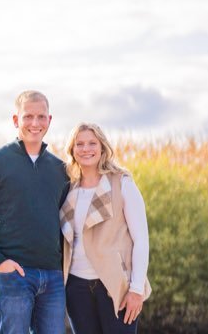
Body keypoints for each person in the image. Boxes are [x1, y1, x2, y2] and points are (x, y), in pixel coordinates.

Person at [0, 90, 69, 334]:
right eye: (28, 116)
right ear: (16, 120)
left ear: (49, 120)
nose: (35, 123)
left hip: (53, 278)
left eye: (41, 117)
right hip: (13, 276)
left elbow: (68, 223)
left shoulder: (60, 169)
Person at [60, 123, 152, 334]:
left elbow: (141, 239)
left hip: (116, 287)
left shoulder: (122, 184)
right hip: (76, 288)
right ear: (72, 150)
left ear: (102, 147)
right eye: (79, 144)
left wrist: (136, 290)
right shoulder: (68, 189)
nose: (86, 149)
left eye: (92, 143)